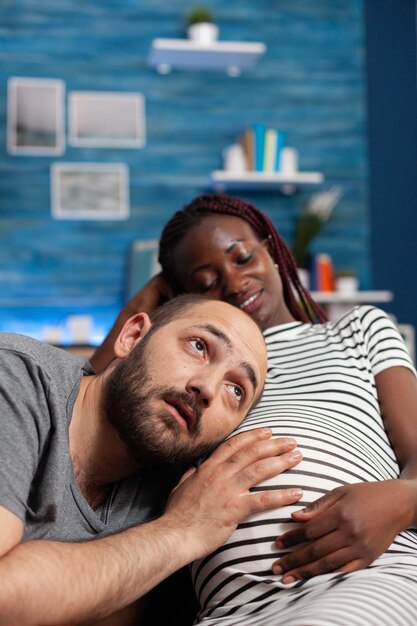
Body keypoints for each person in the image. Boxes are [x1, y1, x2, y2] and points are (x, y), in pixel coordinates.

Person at [94, 194, 417, 626]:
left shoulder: (356, 330)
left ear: (273, 247)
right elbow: (81, 403)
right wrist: (148, 304)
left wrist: (401, 502)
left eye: (243, 257)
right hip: (231, 610)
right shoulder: (187, 374)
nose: (233, 281)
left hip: (363, 580)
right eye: (206, 282)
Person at [0, 293, 309, 626]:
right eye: (199, 346)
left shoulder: (178, 486)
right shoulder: (16, 376)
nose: (207, 388)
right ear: (132, 337)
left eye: (236, 390)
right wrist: (181, 530)